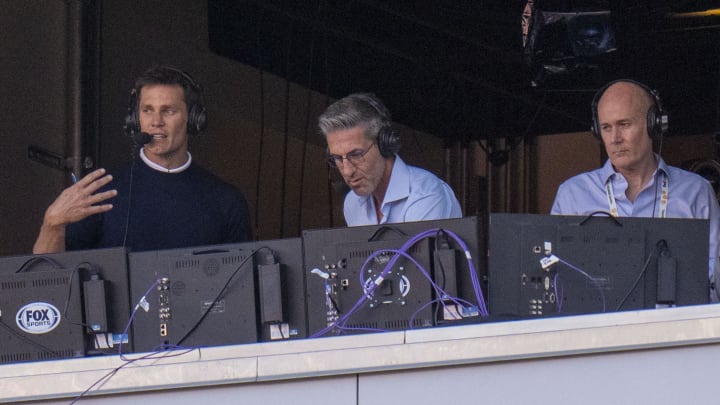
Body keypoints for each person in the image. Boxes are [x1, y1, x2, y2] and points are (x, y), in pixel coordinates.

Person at [33, 64, 252, 254]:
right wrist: (52, 223)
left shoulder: (225, 201)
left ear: (193, 119)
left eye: (168, 111)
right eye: (147, 110)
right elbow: (47, 277)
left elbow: (245, 289)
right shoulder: (100, 192)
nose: (156, 121)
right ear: (135, 119)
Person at [551, 79, 720, 299]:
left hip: (678, 330)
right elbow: (556, 286)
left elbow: (715, 282)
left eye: (624, 124)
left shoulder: (696, 192)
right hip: (598, 331)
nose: (615, 138)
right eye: (606, 128)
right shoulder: (572, 196)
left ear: (654, 125)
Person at [318, 92, 462, 226]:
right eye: (337, 158)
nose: (347, 171)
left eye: (356, 154)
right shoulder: (352, 203)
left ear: (384, 144)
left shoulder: (427, 195)